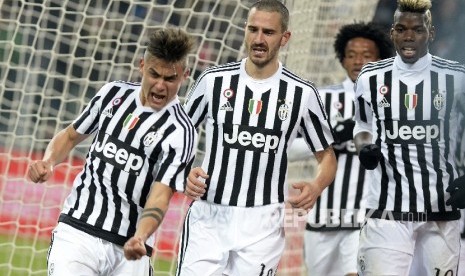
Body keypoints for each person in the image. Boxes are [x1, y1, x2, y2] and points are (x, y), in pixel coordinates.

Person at [177, 0, 337, 275]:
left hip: (264, 223)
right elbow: (178, 135)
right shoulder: (213, 81)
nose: (259, 39)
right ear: (245, 31)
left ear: (285, 38)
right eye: (253, 29)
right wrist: (184, 171)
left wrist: (317, 185)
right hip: (209, 214)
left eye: (268, 32)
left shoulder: (303, 94)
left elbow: (327, 156)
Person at [27, 28, 197, 275]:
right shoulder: (113, 94)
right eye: (154, 74)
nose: (160, 85)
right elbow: (71, 135)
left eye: (170, 79)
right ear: (142, 66)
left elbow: (161, 195)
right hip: (78, 231)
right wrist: (48, 161)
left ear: (185, 75)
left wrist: (141, 236)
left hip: (132, 247)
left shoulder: (181, 131)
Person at [353, 0, 465, 275]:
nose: (409, 37)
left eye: (418, 29)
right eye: (401, 29)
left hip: (441, 210)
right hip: (387, 211)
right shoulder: (370, 77)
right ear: (392, 32)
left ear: (431, 33)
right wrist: (364, 146)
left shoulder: (456, 77)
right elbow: (362, 126)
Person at [294, 22, 393, 276]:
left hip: (367, 216)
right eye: (351, 55)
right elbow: (286, 150)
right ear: (342, 59)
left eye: (367, 55)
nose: (358, 61)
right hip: (324, 215)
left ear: (380, 59)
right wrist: (328, 139)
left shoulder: (392, 103)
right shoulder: (321, 99)